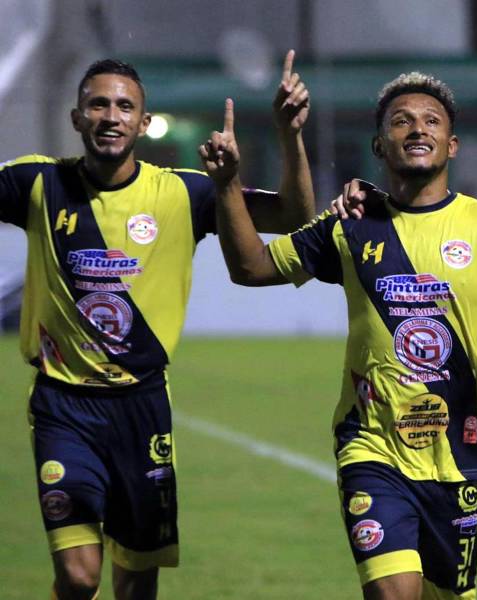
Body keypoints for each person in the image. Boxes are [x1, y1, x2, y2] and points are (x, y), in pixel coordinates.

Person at [202, 71, 477, 599]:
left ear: (451, 144)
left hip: (456, 455)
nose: (417, 129)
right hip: (372, 447)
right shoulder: (351, 225)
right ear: (378, 145)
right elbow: (250, 267)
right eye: (401, 121)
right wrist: (227, 185)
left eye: (431, 121)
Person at [0, 51, 313, 600]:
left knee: (137, 580)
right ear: (77, 118)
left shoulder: (183, 193)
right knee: (77, 577)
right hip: (62, 406)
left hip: (142, 407)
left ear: (144, 124)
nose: (111, 116)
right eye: (98, 104)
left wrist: (288, 135)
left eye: (125, 107)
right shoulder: (38, 184)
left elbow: (291, 215)